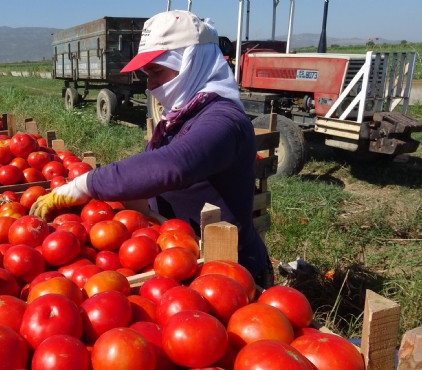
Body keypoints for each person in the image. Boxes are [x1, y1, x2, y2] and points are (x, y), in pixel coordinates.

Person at [30, 10, 273, 287]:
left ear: (193, 63)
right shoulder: (183, 114)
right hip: (183, 255)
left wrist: (85, 184)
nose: (149, 84)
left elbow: (174, 165)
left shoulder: (224, 120)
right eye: (147, 73)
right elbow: (152, 165)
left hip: (228, 271)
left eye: (156, 71)